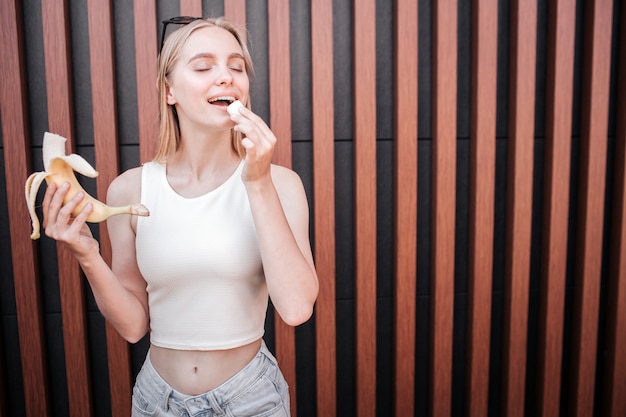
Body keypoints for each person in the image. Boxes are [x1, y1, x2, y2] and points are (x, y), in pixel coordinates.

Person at [41, 16, 318, 417]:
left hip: (251, 399)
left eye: (236, 67)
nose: (225, 76)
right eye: (204, 66)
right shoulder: (129, 191)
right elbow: (134, 325)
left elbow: (295, 309)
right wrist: (87, 253)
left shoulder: (281, 184)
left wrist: (256, 182)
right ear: (169, 90)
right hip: (156, 400)